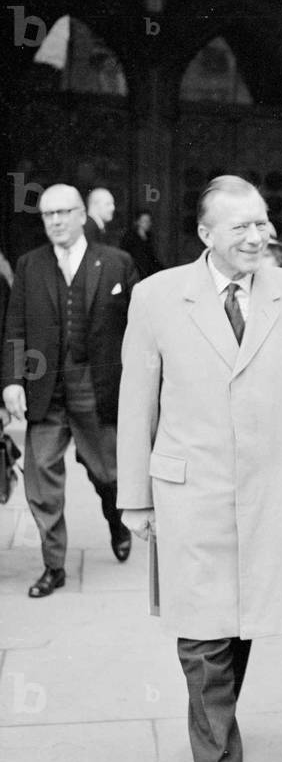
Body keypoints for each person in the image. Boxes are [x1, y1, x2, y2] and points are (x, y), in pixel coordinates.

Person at [116, 175, 282, 762]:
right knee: (204, 634)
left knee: (239, 625)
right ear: (206, 234)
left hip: (273, 495)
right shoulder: (159, 298)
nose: (257, 235)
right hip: (191, 493)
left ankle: (216, 726)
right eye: (240, 226)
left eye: (263, 223)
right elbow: (137, 404)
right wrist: (136, 499)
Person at [1, 185, 137, 597]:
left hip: (95, 388)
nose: (56, 221)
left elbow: (140, 328)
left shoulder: (116, 262)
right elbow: (16, 326)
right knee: (40, 479)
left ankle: (116, 520)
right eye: (48, 215)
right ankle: (54, 566)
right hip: (45, 390)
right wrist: (10, 381)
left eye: (64, 212)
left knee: (107, 473)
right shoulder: (30, 265)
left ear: (82, 215)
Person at [119, 209, 163, 280]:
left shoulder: (149, 237)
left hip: (147, 273)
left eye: (149, 221)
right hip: (134, 273)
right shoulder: (130, 237)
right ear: (138, 222)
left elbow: (151, 257)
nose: (148, 223)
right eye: (145, 221)